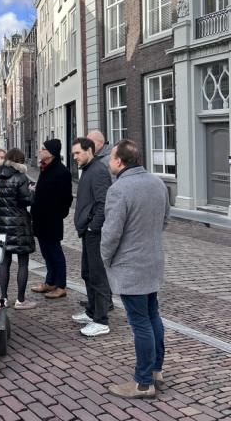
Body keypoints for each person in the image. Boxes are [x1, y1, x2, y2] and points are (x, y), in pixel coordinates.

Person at [101, 140, 170, 399]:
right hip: (152, 261)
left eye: (111, 157)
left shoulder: (119, 189)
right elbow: (165, 218)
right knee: (153, 315)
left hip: (130, 265)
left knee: (140, 322)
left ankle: (143, 383)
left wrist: (105, 258)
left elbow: (111, 233)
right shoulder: (157, 183)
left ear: (120, 161)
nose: (109, 161)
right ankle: (156, 370)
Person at [71, 137, 112, 337]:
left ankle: (101, 320)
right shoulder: (88, 170)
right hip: (88, 233)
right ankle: (92, 311)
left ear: (89, 150)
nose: (75, 157)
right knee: (87, 273)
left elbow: (103, 203)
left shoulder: (98, 171)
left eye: (78, 153)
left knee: (98, 275)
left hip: (94, 233)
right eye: (73, 154)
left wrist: (92, 227)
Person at [0, 148, 36, 310]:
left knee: (4, 262)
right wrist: (32, 192)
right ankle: (20, 300)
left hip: (2, 224)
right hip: (19, 225)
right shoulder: (21, 178)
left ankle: (2, 298)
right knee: (23, 262)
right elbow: (26, 201)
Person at [30, 139, 73, 299]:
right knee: (46, 252)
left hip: (52, 220)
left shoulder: (62, 172)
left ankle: (61, 285)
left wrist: (58, 214)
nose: (40, 151)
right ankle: (50, 282)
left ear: (51, 152)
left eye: (43, 148)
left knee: (55, 252)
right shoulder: (44, 169)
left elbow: (66, 199)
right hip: (40, 219)